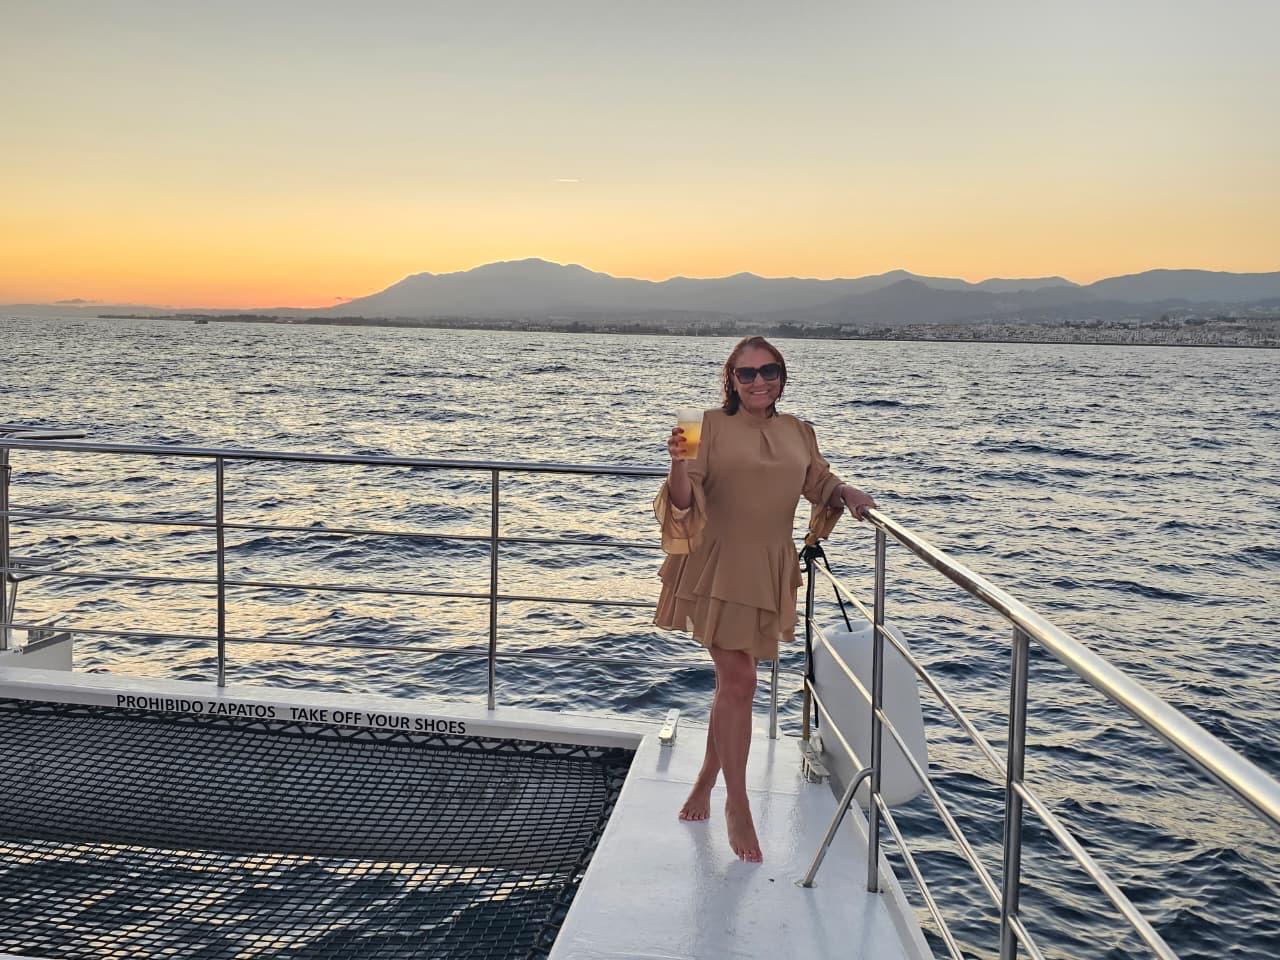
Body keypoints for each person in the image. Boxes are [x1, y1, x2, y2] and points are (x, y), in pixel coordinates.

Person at [654, 336, 876, 863]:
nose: (759, 381)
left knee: (731, 689)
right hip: (714, 567)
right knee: (740, 681)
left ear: (782, 376)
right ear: (730, 380)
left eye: (768, 371)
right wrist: (678, 463)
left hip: (768, 568)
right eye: (747, 373)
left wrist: (847, 493)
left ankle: (705, 782)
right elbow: (682, 503)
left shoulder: (799, 430)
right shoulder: (702, 425)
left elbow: (818, 481)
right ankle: (738, 803)